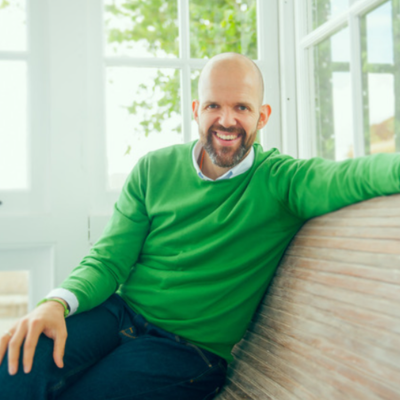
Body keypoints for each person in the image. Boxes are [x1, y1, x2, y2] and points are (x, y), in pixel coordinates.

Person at [0, 52, 399, 400]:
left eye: (241, 107)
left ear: (262, 116)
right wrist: (55, 304)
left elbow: (352, 177)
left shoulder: (282, 182)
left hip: (188, 351)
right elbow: (108, 259)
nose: (226, 120)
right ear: (196, 110)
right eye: (213, 106)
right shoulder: (153, 168)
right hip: (119, 314)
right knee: (16, 363)